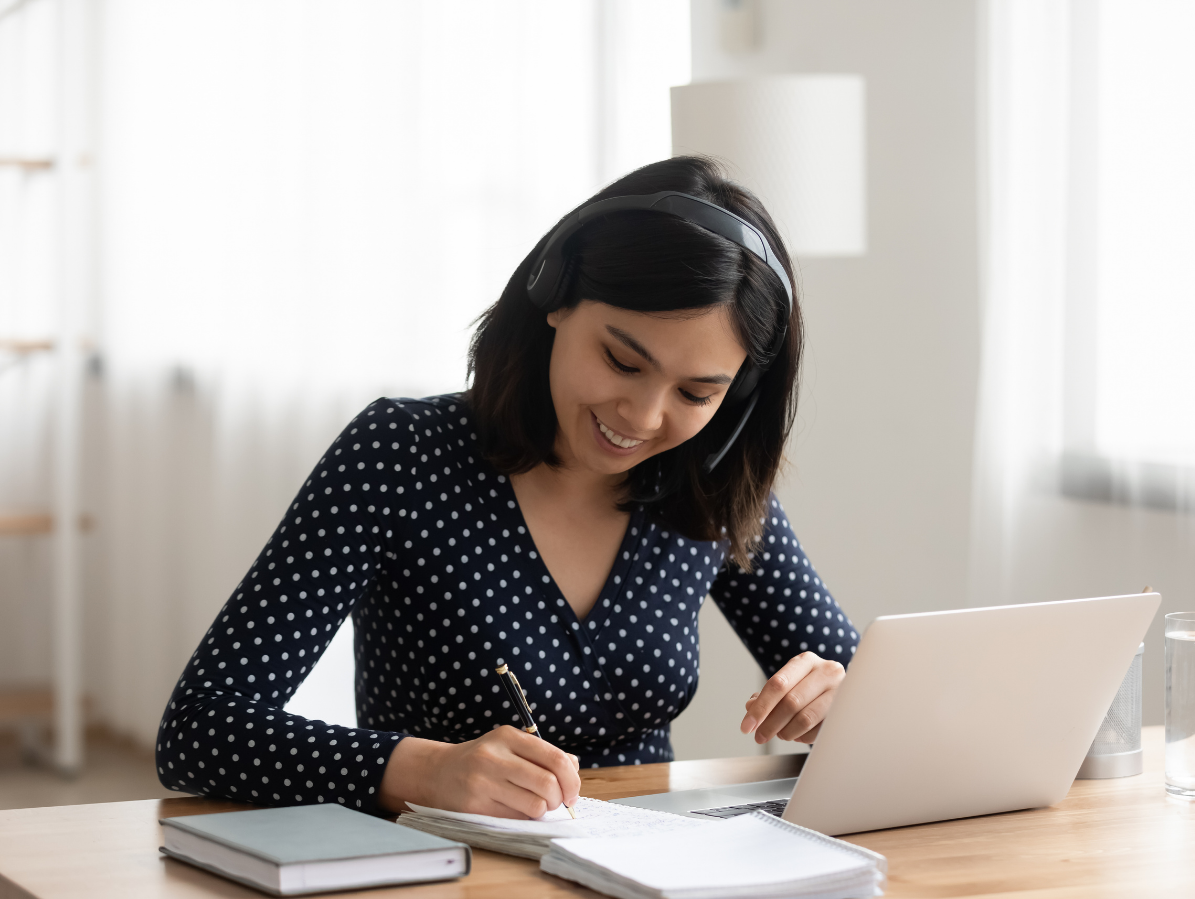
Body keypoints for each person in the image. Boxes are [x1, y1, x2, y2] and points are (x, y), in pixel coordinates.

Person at [155, 156, 859, 820]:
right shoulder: (401, 455)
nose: (643, 417)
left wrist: (845, 702)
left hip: (649, 875)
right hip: (442, 870)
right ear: (556, 296)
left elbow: (871, 691)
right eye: (621, 359)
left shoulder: (709, 484)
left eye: (697, 392)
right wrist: (421, 768)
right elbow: (200, 728)